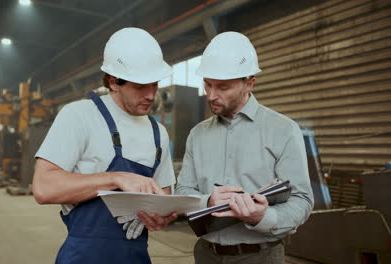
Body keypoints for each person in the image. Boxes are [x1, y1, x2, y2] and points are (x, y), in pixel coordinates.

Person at [32, 27, 178, 264]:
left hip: (136, 256)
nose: (151, 95)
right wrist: (115, 178)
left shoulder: (157, 132)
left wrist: (159, 215)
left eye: (155, 85)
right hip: (83, 256)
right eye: (141, 86)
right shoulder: (79, 116)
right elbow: (43, 187)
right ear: (113, 82)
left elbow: (165, 195)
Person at [175, 32, 314, 263]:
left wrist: (264, 216)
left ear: (249, 84)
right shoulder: (197, 134)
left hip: (260, 256)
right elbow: (183, 192)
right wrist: (207, 201)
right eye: (207, 85)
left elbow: (302, 200)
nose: (211, 95)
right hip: (206, 254)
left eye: (223, 87)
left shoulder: (283, 130)